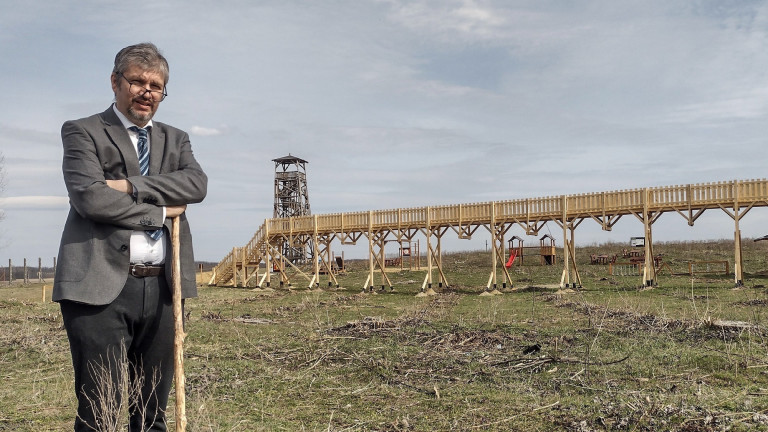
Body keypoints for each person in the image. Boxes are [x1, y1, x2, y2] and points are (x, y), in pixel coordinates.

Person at [54, 42, 207, 431]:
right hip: (98, 288)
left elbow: (196, 185)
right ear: (115, 82)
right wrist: (160, 210)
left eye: (156, 85)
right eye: (137, 81)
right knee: (100, 409)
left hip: (162, 289)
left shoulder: (177, 139)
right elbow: (91, 198)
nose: (147, 91)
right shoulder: (82, 131)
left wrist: (126, 185)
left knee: (152, 411)